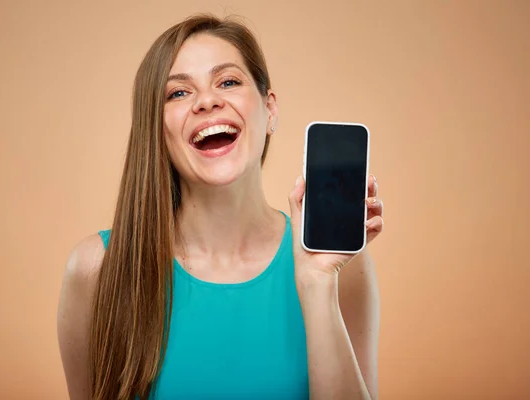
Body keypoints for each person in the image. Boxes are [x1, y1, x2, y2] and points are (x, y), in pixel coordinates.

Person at [57, 13, 384, 400]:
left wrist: (316, 285)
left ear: (270, 109)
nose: (207, 101)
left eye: (228, 81)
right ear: (156, 129)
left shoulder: (337, 265)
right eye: (178, 93)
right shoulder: (96, 269)